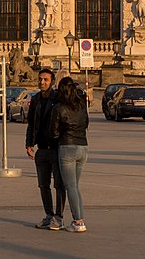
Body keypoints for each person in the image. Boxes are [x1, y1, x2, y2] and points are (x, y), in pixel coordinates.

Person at [25, 68, 66, 230]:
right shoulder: (35, 100)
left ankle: (59, 217)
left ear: (52, 81)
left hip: (56, 148)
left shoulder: (58, 99)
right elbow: (31, 124)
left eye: (46, 80)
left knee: (59, 185)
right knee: (43, 185)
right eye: (40, 79)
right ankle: (49, 215)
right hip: (41, 148)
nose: (42, 82)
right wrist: (29, 144)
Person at [50, 76, 89, 233]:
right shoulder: (81, 106)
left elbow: (53, 132)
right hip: (83, 147)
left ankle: (78, 221)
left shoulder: (59, 108)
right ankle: (80, 219)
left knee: (70, 186)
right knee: (75, 186)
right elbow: (86, 123)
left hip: (67, 147)